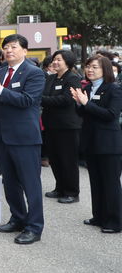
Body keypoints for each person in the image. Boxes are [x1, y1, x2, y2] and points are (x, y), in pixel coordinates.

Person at [0, 34, 45, 245]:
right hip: (2, 136)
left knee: (30, 184)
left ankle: (34, 227)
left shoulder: (34, 73)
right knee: (9, 182)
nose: (9, 51)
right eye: (6, 47)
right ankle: (18, 217)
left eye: (14, 47)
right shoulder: (0, 72)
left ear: (25, 51)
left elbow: (27, 101)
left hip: (24, 138)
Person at [71, 55, 122, 233]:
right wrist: (79, 103)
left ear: (105, 70)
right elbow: (86, 114)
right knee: (96, 181)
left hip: (109, 144)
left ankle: (115, 221)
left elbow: (110, 115)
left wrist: (86, 103)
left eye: (94, 67)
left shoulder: (113, 89)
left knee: (110, 183)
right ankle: (99, 216)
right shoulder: (88, 88)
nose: (90, 70)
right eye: (88, 66)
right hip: (91, 142)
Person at [41, 50, 83, 204]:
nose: (55, 62)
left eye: (59, 59)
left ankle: (72, 191)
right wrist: (46, 99)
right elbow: (47, 95)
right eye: (54, 59)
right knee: (55, 158)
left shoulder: (73, 79)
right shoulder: (51, 78)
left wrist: (42, 100)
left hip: (67, 126)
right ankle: (60, 188)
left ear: (68, 62)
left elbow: (66, 100)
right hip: (51, 125)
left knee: (68, 160)